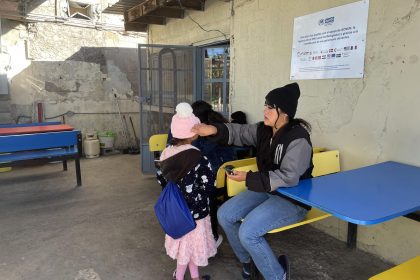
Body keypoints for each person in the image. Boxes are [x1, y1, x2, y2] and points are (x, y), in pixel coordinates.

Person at [192, 83, 313, 280]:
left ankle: (278, 276)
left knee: (248, 232)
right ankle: (249, 261)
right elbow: (239, 132)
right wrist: (213, 129)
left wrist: (248, 178)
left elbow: (288, 177)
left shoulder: (298, 138)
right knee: (225, 215)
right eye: (265, 105)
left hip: (293, 198)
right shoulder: (264, 130)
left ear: (284, 112)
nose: (264, 110)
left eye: (270, 107)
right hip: (267, 189)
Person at [156, 102, 216, 280]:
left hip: (176, 211)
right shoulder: (198, 157)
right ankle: (180, 277)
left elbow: (161, 178)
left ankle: (195, 277)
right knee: (190, 249)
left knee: (185, 248)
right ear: (193, 133)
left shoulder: (166, 153)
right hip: (196, 214)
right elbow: (208, 185)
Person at [191, 100, 237, 247]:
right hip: (229, 178)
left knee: (196, 193)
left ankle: (213, 237)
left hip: (219, 180)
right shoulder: (219, 126)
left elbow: (197, 154)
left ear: (197, 119)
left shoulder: (208, 136)